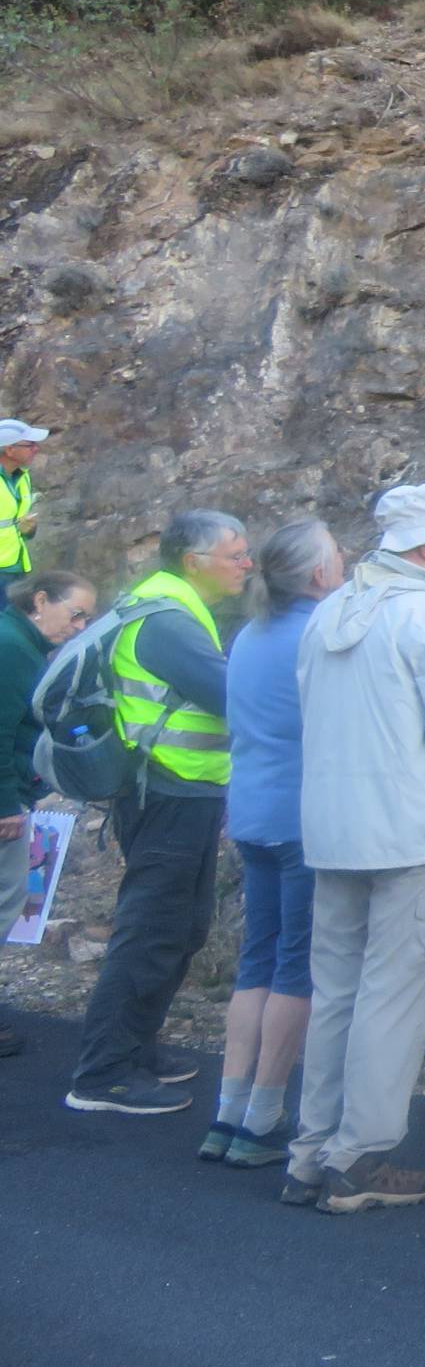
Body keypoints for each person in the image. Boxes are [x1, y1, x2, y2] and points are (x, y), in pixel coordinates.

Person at [285, 483, 425, 1212]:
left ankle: (311, 1150)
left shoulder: (329, 612)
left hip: (337, 829)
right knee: (395, 996)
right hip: (416, 828)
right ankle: (361, 1155)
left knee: (337, 991)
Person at [65, 510, 253, 1116]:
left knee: (181, 926)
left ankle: (135, 1046)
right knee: (150, 931)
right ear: (195, 562)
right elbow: (235, 696)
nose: (247, 564)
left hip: (180, 793)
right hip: (167, 794)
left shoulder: (166, 605)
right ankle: (103, 1073)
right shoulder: (169, 620)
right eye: (236, 554)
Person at [203, 520, 344, 1168]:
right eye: (338, 556)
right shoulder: (321, 635)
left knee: (255, 960)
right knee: (296, 966)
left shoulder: (248, 634)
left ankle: (227, 1111)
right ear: (318, 575)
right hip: (301, 819)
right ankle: (263, 1117)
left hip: (252, 811)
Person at [0, 569, 95, 1058]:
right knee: (3, 902)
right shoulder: (13, 647)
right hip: (5, 803)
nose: (79, 626)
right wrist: (6, 805)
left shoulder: (17, 640)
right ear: (41, 600)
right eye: (75, 613)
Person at [0, 420, 49, 578]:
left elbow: (14, 524)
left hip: (16, 566)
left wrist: (29, 530)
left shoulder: (22, 476)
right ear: (9, 450)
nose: (36, 449)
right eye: (30, 445)